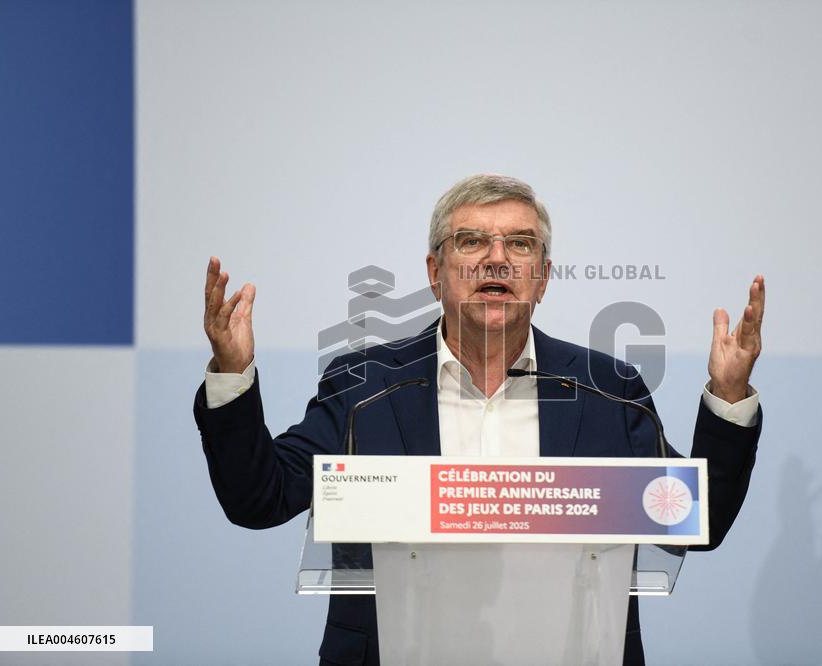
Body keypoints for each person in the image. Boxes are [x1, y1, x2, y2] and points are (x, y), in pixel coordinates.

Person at [195, 174, 765, 665]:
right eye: (471, 241)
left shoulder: (605, 389)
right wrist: (232, 372)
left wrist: (729, 393)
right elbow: (260, 498)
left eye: (520, 244)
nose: (497, 258)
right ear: (435, 271)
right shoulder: (366, 386)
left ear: (541, 278)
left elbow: (695, 521)